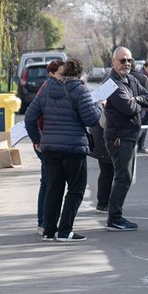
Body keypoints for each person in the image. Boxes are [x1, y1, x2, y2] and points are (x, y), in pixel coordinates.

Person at [24, 58, 100, 241]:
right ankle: (65, 230)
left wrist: (38, 140)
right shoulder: (80, 90)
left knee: (53, 189)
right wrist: (98, 106)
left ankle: (49, 231)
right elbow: (92, 120)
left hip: (50, 149)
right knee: (76, 189)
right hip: (74, 148)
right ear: (79, 74)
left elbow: (29, 117)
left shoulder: (46, 89)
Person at [103, 46, 148, 232]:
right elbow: (128, 107)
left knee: (126, 177)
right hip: (119, 137)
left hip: (130, 135)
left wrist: (137, 99)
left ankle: (115, 215)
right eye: (122, 60)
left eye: (129, 60)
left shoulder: (130, 79)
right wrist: (138, 101)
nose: (127, 64)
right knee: (123, 177)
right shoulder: (112, 83)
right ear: (113, 62)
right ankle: (114, 218)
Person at [33, 58, 64, 235]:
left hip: (47, 141)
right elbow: (34, 118)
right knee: (48, 182)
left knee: (48, 181)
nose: (63, 76)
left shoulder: (49, 88)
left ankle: (44, 221)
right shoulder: (46, 90)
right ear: (52, 74)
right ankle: (44, 222)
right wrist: (38, 140)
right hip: (45, 142)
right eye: (61, 73)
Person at [135, 60, 148, 153]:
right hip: (144, 106)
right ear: (145, 67)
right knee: (142, 127)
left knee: (145, 127)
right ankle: (139, 146)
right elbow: (144, 92)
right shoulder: (142, 77)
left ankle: (141, 146)